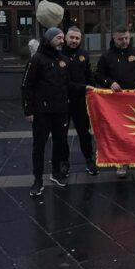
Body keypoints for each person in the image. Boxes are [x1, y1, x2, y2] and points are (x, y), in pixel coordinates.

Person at [95, 26, 135, 178]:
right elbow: (98, 75)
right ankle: (122, 162)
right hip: (117, 103)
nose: (125, 41)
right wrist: (110, 82)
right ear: (114, 38)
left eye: (127, 38)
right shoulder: (106, 56)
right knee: (121, 133)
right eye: (121, 39)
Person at [21, 27, 70, 197]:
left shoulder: (64, 59)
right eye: (58, 38)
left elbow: (68, 83)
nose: (62, 41)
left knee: (59, 143)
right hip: (42, 111)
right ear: (48, 39)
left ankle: (56, 173)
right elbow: (26, 86)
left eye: (63, 38)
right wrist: (28, 110)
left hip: (61, 110)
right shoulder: (36, 59)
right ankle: (37, 180)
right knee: (39, 146)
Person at [63, 26, 99, 176]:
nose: (74, 41)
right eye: (71, 37)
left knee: (84, 133)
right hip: (63, 101)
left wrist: (93, 89)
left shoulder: (83, 54)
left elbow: (88, 75)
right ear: (65, 37)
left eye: (77, 38)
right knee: (61, 134)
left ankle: (89, 160)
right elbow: (63, 81)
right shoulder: (58, 54)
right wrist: (84, 87)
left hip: (81, 102)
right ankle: (64, 163)